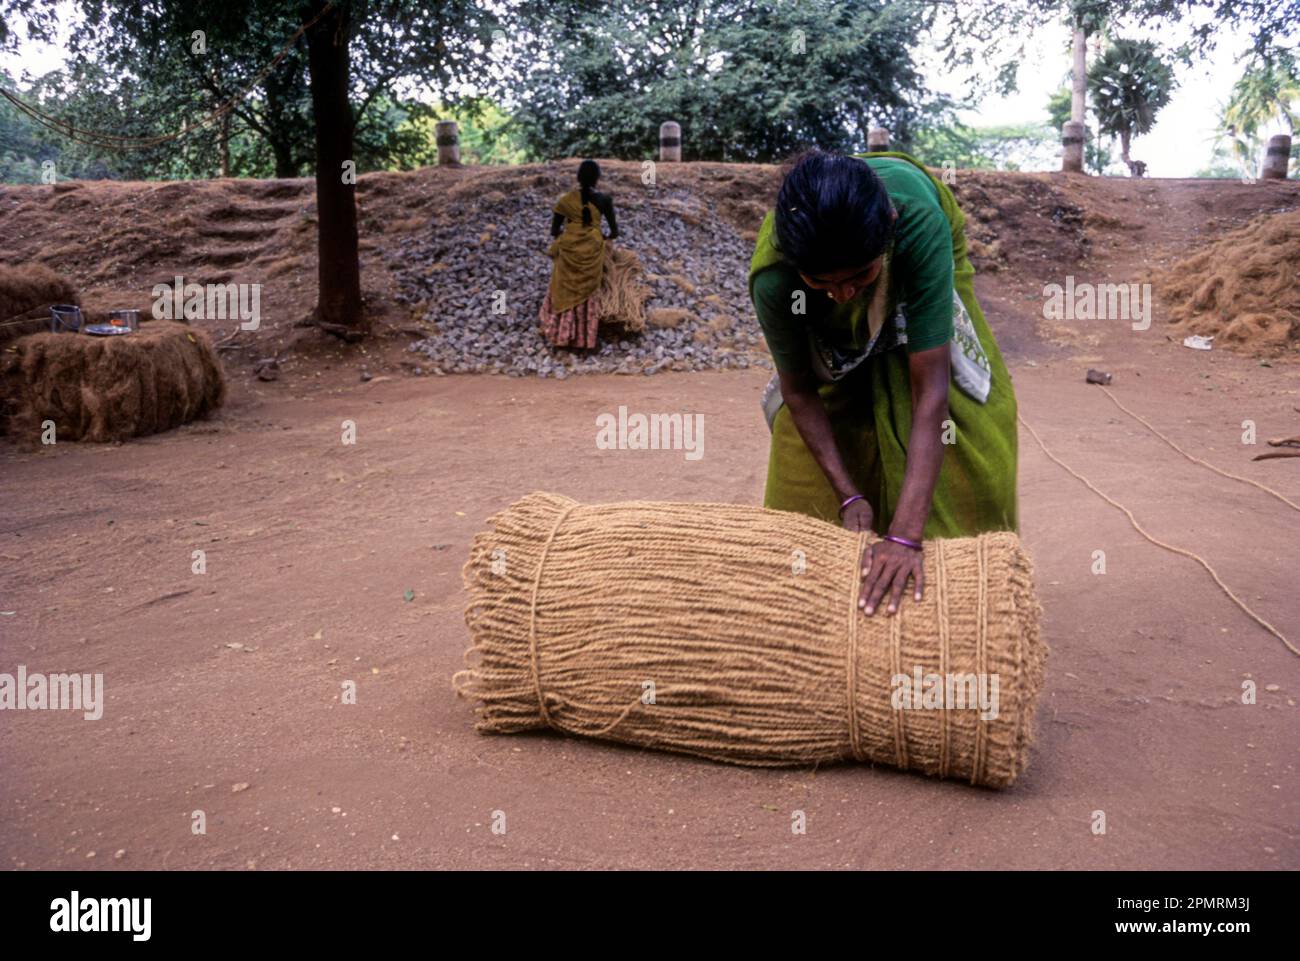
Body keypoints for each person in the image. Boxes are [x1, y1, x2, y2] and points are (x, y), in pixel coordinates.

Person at [748, 150, 1018, 619]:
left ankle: (969, 598)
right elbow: (799, 391)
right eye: (822, 282)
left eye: (859, 277)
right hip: (832, 276)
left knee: (966, 443)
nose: (843, 295)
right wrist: (848, 494)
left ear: (889, 227)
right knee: (806, 483)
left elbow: (930, 391)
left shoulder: (914, 224)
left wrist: (905, 537)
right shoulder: (776, 277)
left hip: (919, 249)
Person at [540, 159, 619, 349]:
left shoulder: (565, 201)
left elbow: (554, 231)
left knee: (564, 288)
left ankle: (561, 336)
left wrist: (570, 235)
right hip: (592, 249)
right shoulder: (605, 200)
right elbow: (614, 232)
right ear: (597, 178)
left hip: (568, 250)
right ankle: (585, 340)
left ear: (578, 178)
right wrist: (601, 236)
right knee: (588, 292)